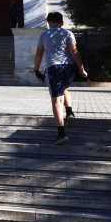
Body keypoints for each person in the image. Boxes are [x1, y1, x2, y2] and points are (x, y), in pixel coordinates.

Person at [33, 12, 88, 145]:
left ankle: (61, 134)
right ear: (62, 23)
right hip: (69, 67)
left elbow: (39, 55)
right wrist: (81, 68)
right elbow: (74, 52)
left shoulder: (44, 35)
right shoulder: (68, 34)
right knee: (65, 89)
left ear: (49, 23)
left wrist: (36, 70)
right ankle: (70, 113)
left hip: (54, 68)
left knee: (56, 101)